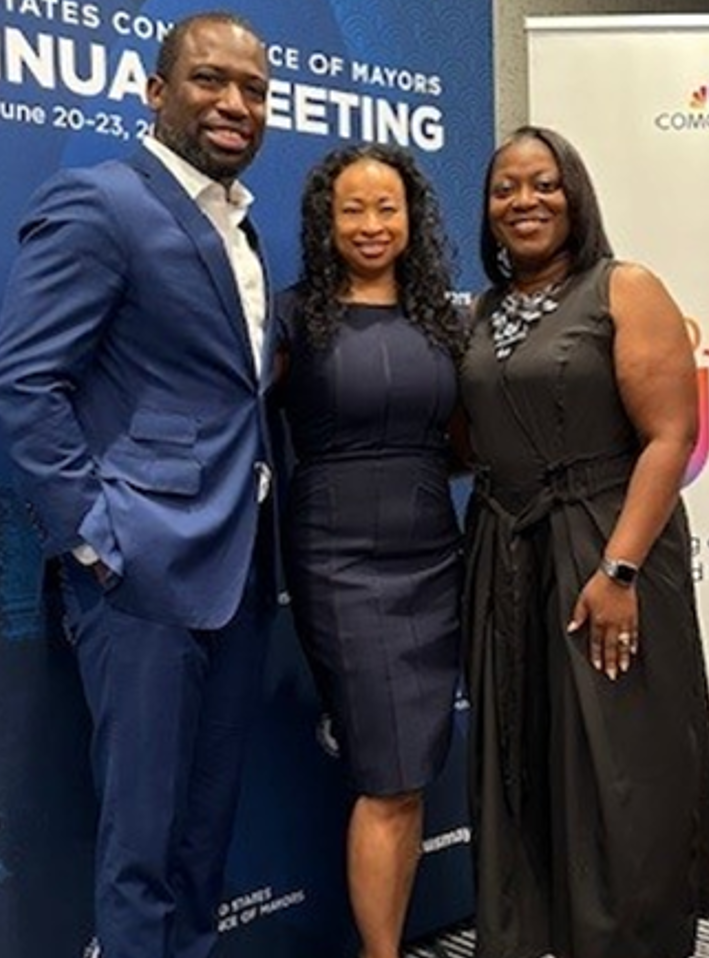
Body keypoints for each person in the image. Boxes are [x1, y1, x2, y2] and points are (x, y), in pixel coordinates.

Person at [0, 12, 277, 958]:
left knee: (203, 838)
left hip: (236, 570)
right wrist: (96, 538)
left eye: (255, 90)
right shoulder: (100, 203)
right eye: (209, 81)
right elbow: (24, 381)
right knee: (142, 847)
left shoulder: (245, 228)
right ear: (156, 94)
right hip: (142, 575)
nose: (235, 103)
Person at [457, 125, 709, 958]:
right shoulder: (481, 311)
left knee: (621, 767)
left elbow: (669, 438)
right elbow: (471, 439)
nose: (525, 201)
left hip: (607, 546)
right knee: (525, 763)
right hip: (508, 552)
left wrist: (618, 568)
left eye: (545, 184)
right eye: (506, 188)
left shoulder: (625, 287)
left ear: (576, 195)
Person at [277, 143, 465, 958]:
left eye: (386, 207)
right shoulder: (290, 316)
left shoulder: (443, 320)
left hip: (432, 551)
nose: (371, 224)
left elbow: (465, 440)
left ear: (412, 217)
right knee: (385, 772)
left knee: (411, 767)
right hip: (337, 558)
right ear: (325, 219)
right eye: (351, 208)